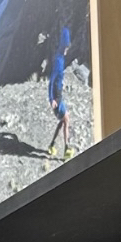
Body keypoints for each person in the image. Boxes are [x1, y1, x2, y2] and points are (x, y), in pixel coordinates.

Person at [48, 25, 73, 159]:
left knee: (63, 121)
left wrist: (61, 84)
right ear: (64, 45)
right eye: (67, 46)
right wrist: (52, 99)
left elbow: (57, 79)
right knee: (66, 120)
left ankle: (52, 145)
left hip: (58, 96)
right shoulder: (59, 61)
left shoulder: (60, 58)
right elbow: (51, 81)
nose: (68, 49)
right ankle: (66, 149)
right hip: (57, 98)